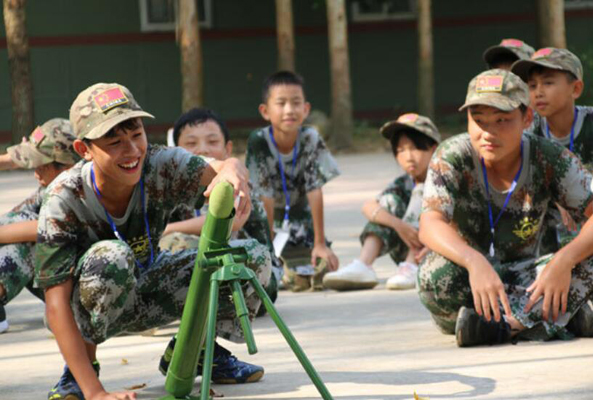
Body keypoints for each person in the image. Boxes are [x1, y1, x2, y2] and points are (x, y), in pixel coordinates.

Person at [35, 83, 253, 400]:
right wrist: (96, 393)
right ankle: (79, 373)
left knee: (248, 261)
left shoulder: (158, 163)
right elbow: (56, 306)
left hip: (150, 280)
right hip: (91, 306)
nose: (132, 151)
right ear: (84, 150)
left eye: (137, 135)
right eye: (115, 142)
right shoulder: (63, 199)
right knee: (112, 257)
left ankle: (192, 353)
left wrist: (233, 172)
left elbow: (222, 166)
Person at [418, 69, 593, 348]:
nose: (488, 132)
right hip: (470, 277)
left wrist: (565, 260)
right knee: (434, 278)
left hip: (529, 275)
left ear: (527, 119)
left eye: (502, 120)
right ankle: (560, 314)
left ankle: (503, 327)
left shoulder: (548, 157)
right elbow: (430, 222)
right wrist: (474, 261)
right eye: (478, 121)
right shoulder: (452, 155)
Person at [156, 107, 278, 380]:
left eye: (212, 142)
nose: (202, 149)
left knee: (196, 245)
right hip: (196, 276)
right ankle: (199, 348)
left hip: (251, 282)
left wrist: (170, 228)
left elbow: (231, 222)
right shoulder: (166, 189)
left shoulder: (237, 183)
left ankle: (194, 345)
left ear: (228, 148)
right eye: (190, 144)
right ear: (175, 150)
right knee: (179, 246)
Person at [245, 71, 340, 292]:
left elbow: (314, 189)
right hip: (265, 219)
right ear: (265, 111)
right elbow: (264, 196)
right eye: (281, 103)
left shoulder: (310, 138)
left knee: (325, 266)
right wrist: (268, 247)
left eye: (296, 103)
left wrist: (320, 243)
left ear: (306, 109)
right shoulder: (258, 141)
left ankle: (300, 258)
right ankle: (275, 258)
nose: (289, 110)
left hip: (299, 219)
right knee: (261, 260)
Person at [323, 113, 440, 291]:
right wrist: (400, 226)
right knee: (387, 203)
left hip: (437, 250)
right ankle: (364, 265)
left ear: (433, 149)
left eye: (415, 148)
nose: (408, 157)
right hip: (407, 242)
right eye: (400, 150)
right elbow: (369, 206)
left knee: (421, 192)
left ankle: (412, 265)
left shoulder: (445, 179)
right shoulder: (404, 182)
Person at [513, 47, 593, 250]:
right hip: (550, 225)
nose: (538, 92)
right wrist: (560, 197)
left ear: (575, 89)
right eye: (532, 85)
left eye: (548, 83)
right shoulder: (528, 133)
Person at [0, 119, 79, 334]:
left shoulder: (80, 189)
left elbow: (43, 228)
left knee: (30, 240)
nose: (36, 172)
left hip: (87, 289)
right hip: (64, 279)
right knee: (12, 224)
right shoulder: (55, 183)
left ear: (67, 166)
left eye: (41, 165)